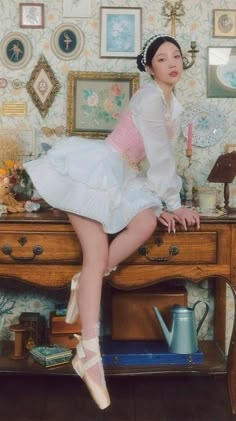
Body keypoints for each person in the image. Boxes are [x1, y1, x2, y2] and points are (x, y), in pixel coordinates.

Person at [24, 34, 200, 410]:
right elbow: (158, 154)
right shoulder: (150, 97)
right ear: (150, 66)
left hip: (127, 176)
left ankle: (84, 282)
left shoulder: (173, 104)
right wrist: (171, 201)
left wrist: (165, 205)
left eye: (177, 56)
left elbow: (158, 159)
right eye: (162, 58)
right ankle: (89, 353)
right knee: (97, 252)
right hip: (97, 169)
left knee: (145, 224)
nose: (173, 62)